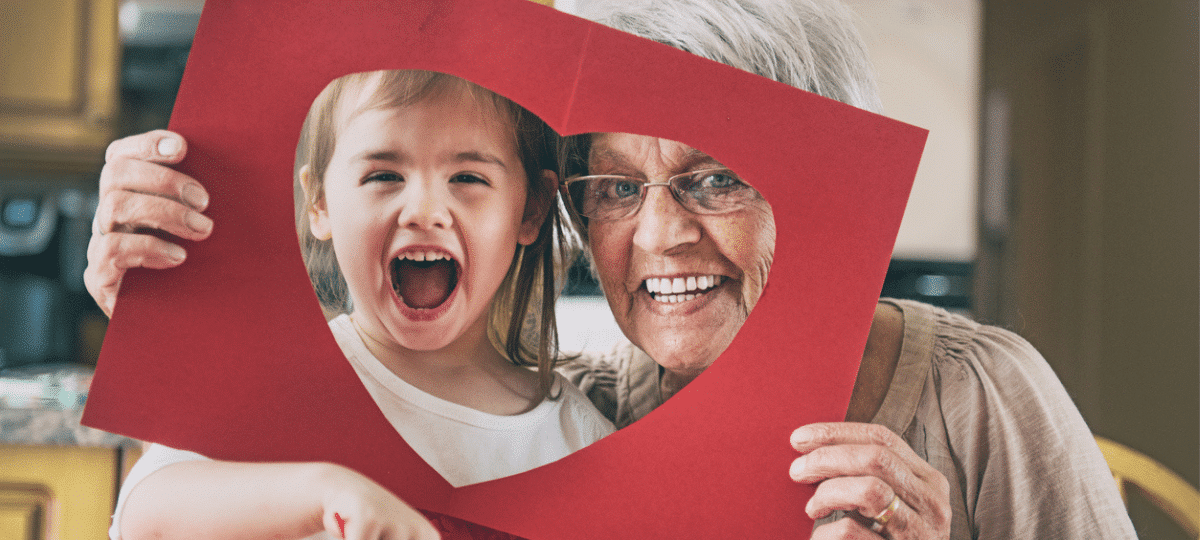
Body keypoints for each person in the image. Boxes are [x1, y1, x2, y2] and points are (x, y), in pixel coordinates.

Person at [87, 0, 1137, 539]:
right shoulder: (590, 411)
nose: (661, 234)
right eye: (615, 186)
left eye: (716, 175)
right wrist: (180, 280)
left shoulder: (982, 393)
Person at [106, 70, 614, 540]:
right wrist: (326, 492)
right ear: (319, 204)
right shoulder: (273, 378)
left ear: (530, 209)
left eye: (468, 178)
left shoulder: (578, 439)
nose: (424, 211)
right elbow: (146, 513)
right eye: (383, 176)